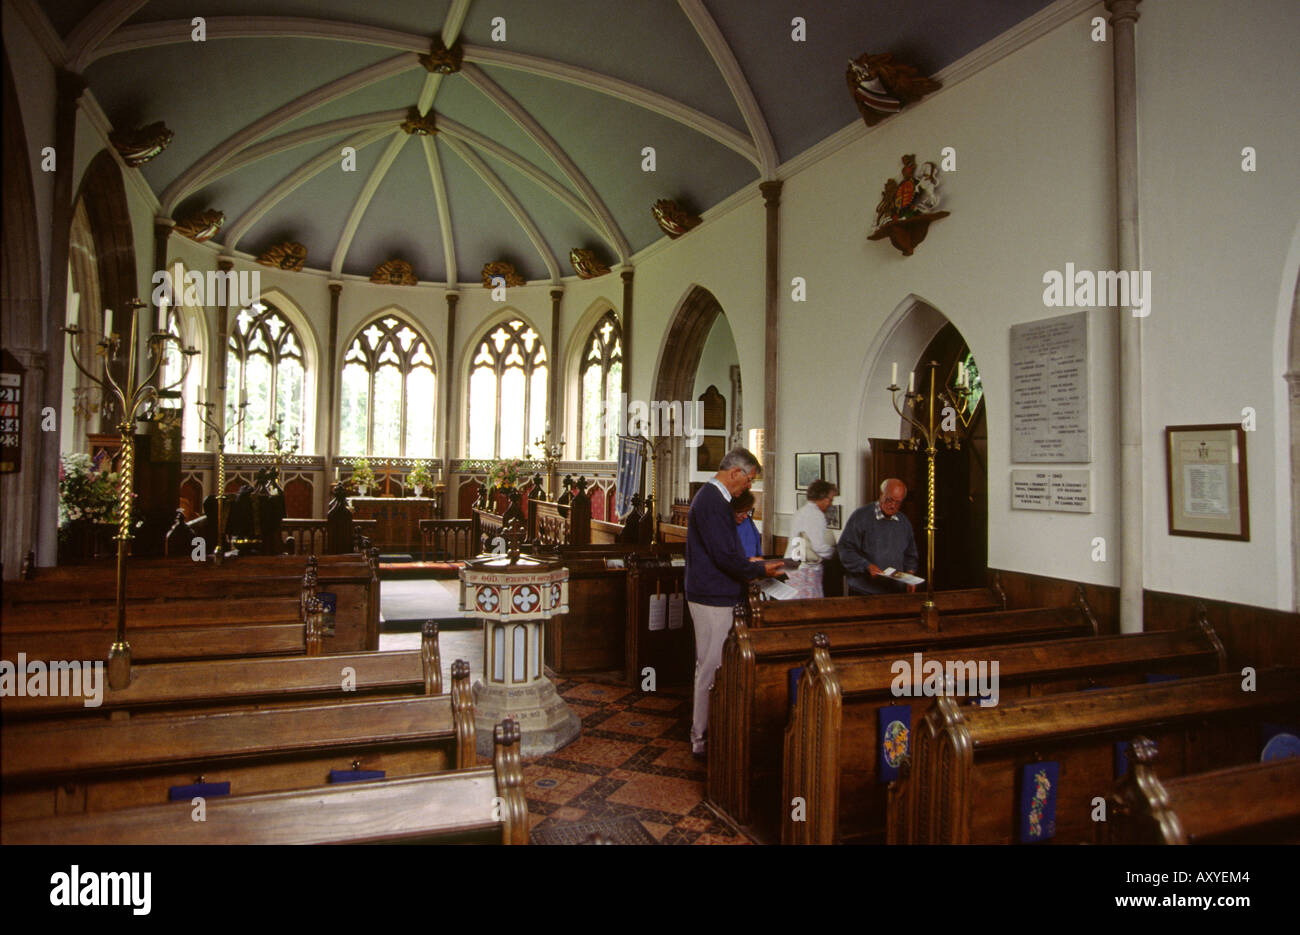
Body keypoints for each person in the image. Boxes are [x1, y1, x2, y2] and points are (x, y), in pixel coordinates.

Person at [685, 448, 786, 757]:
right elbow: (724, 556)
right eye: (749, 480)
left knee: (711, 665)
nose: (749, 488)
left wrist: (751, 564)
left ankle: (707, 733)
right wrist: (758, 568)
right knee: (712, 668)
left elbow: (725, 552)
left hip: (715, 594)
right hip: (712, 597)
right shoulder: (713, 501)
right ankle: (701, 740)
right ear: (735, 473)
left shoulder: (715, 499)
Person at [837, 478, 919, 595]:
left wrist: (910, 576)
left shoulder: (904, 522)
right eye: (889, 500)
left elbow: (910, 555)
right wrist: (866, 565)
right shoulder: (860, 517)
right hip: (864, 592)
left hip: (895, 592)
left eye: (898, 503)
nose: (892, 506)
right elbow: (845, 549)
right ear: (881, 494)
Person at [783, 479, 839, 598]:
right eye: (830, 499)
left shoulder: (801, 512)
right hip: (806, 571)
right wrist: (833, 552)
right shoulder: (817, 515)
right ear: (821, 497)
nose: (830, 503)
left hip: (792, 567)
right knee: (809, 608)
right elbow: (818, 547)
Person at [731, 490, 762, 558]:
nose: (745, 516)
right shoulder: (722, 526)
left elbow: (758, 552)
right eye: (740, 512)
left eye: (747, 512)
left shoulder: (748, 521)